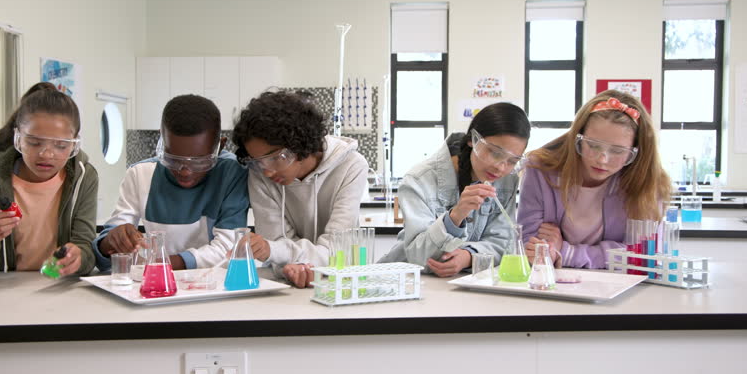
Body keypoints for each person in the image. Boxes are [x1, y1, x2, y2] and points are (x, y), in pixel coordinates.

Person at [93, 94, 249, 271]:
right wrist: (111, 242)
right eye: (173, 159)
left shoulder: (232, 173)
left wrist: (159, 263)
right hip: (159, 284)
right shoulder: (140, 174)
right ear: (162, 141)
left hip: (213, 282)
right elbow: (109, 246)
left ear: (219, 146)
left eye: (199, 161)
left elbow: (229, 250)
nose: (185, 171)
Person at [518, 90, 671, 268]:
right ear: (577, 137)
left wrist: (566, 252)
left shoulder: (649, 182)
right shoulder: (540, 169)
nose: (602, 159)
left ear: (636, 151)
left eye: (617, 151)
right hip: (553, 282)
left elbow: (643, 255)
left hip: (622, 286)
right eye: (592, 145)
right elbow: (530, 246)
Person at [232, 90, 369, 288]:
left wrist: (280, 253)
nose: (268, 171)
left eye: (274, 158)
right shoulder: (260, 174)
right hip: (288, 281)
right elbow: (275, 241)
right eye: (258, 162)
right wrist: (292, 265)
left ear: (300, 143)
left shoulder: (351, 166)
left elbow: (337, 250)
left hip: (342, 281)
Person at [0, 83, 98, 280]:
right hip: (4, 290)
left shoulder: (84, 176)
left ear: (74, 144)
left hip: (60, 288)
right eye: (34, 143)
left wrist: (79, 257)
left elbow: (86, 253)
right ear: (18, 138)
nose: (46, 154)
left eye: (61, 145)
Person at [380, 103, 531, 277]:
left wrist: (468, 256)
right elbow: (418, 256)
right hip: (406, 282)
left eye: (512, 161)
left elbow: (503, 243)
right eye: (495, 153)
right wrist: (456, 216)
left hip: (461, 285)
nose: (500, 167)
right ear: (473, 140)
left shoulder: (507, 180)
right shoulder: (419, 180)